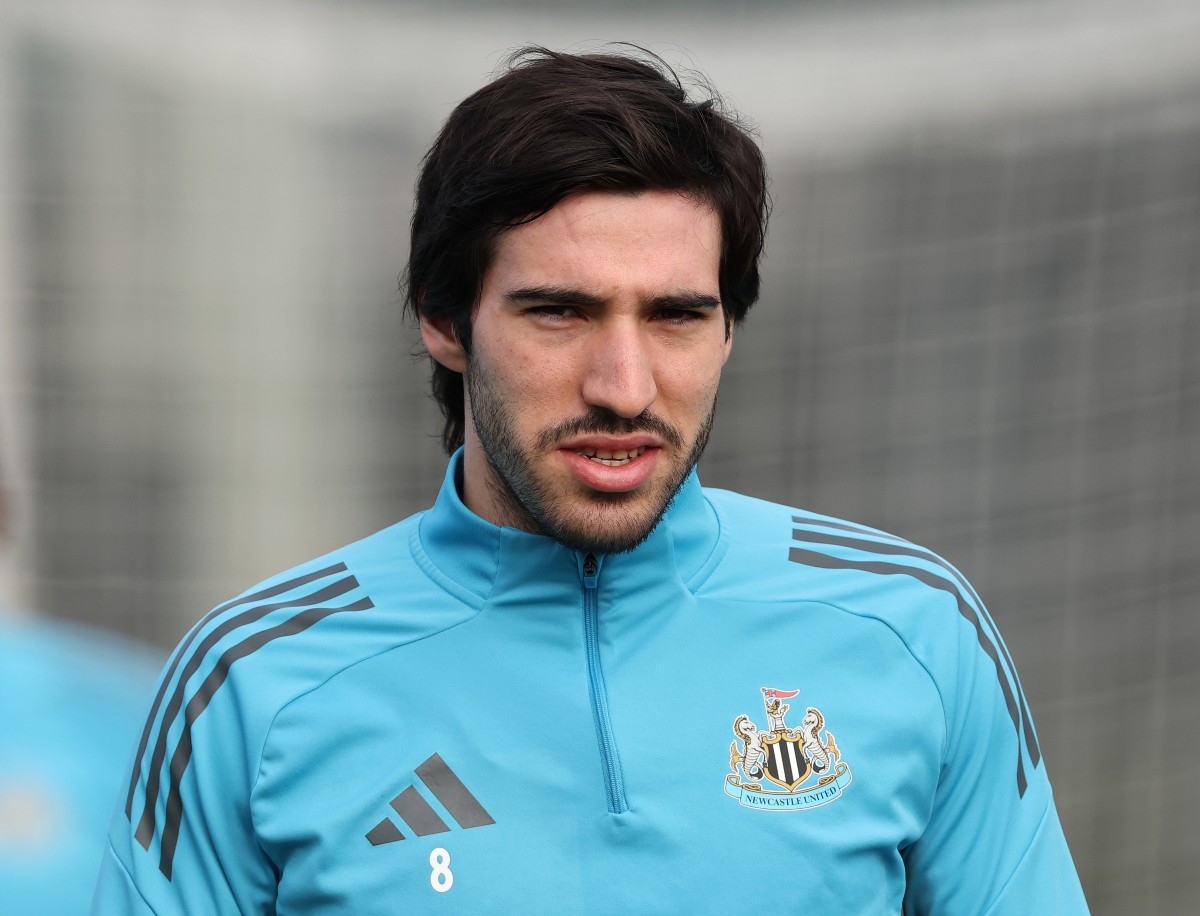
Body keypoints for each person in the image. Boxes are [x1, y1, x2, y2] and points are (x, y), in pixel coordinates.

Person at [94, 47, 1088, 913]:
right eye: (560, 312)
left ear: (729, 326)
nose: (624, 386)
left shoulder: (912, 629)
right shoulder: (253, 684)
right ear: (446, 320)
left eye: (675, 316)